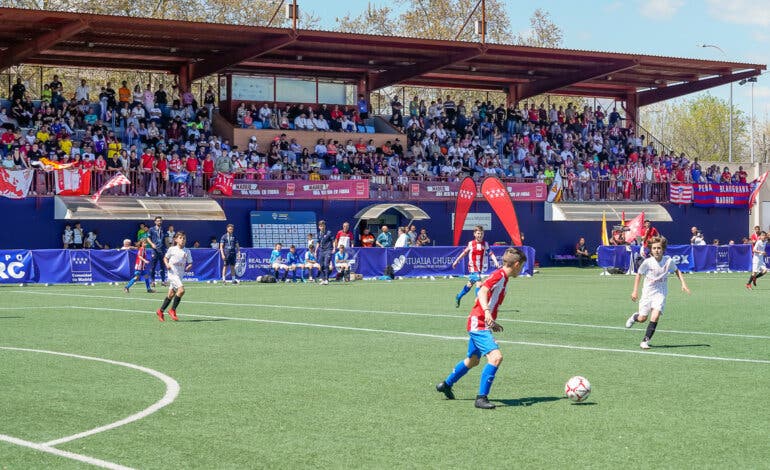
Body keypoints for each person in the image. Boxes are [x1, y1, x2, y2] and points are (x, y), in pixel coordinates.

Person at [435, 248, 527, 409]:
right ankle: (481, 398)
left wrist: (491, 320)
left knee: (473, 360)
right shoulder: (499, 275)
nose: (521, 270)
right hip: (478, 323)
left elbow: (487, 296)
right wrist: (486, 312)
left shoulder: (503, 277)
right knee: (496, 357)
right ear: (517, 265)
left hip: (481, 322)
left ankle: (446, 384)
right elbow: (482, 291)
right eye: (522, 266)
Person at [625, 236, 690, 349]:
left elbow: (677, 271)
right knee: (642, 318)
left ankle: (645, 341)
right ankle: (635, 317)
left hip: (660, 293)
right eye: (654, 248)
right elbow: (639, 274)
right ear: (651, 250)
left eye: (659, 248)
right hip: (647, 293)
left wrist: (683, 284)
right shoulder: (647, 262)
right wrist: (635, 291)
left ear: (663, 249)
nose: (656, 250)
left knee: (655, 316)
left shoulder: (668, 261)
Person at [452, 226, 500, 308]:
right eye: (478, 233)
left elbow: (491, 253)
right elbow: (464, 253)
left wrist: (496, 262)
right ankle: (479, 302)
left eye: (481, 233)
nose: (479, 235)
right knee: (479, 283)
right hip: (472, 267)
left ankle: (458, 296)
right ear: (474, 234)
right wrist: (456, 261)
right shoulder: (471, 243)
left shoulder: (485, 244)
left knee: (469, 285)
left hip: (479, 268)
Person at [156, 231, 193, 322]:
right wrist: (167, 264)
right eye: (180, 238)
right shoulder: (172, 249)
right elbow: (165, 258)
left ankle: (160, 311)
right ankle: (172, 310)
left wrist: (189, 266)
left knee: (171, 294)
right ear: (176, 240)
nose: (182, 240)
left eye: (184, 238)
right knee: (181, 290)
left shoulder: (187, 251)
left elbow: (190, 262)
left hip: (180, 275)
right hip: (172, 273)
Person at [148, 216, 166, 287]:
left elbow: (166, 239)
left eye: (160, 221)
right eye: (158, 221)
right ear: (155, 222)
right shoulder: (151, 229)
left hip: (162, 250)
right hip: (155, 250)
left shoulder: (163, 229)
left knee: (163, 266)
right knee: (153, 267)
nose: (159, 222)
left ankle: (163, 281)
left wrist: (169, 247)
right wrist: (152, 244)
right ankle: (152, 281)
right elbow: (148, 238)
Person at [317, 220, 335, 285]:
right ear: (319, 227)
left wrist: (334, 248)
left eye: (323, 226)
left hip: (328, 250)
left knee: (326, 264)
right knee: (321, 265)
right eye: (321, 226)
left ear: (325, 226)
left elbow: (333, 241)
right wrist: (316, 250)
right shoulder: (318, 234)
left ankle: (326, 279)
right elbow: (318, 242)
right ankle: (323, 279)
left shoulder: (329, 232)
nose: (322, 227)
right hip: (321, 251)